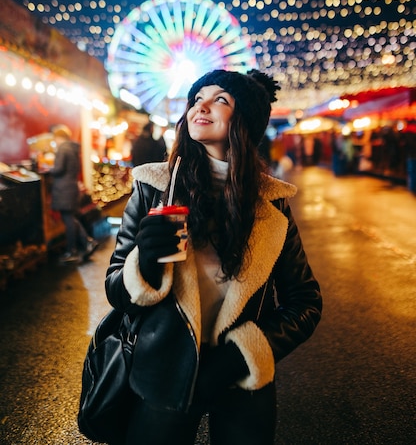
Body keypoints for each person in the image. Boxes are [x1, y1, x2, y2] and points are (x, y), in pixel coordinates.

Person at [105, 69, 322, 445]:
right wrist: (144, 263)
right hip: (163, 373)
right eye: (197, 97)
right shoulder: (153, 188)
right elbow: (116, 290)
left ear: (245, 121)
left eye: (220, 99)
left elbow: (304, 302)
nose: (200, 106)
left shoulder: (272, 205)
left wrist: (242, 356)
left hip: (241, 381)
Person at [49, 125, 98, 263]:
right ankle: (88, 242)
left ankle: (72, 251)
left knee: (68, 220)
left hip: (63, 189)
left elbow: (58, 169)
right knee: (71, 219)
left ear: (59, 137)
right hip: (72, 187)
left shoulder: (62, 149)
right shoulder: (72, 149)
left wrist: (49, 169)